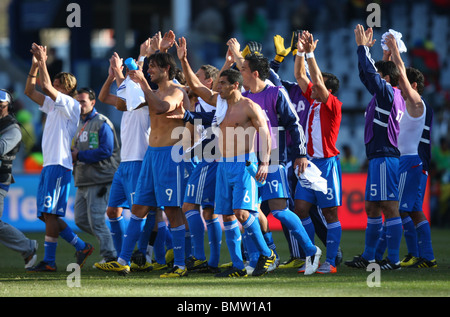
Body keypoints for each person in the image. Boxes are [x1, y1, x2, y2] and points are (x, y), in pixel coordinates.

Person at [176, 36, 276, 277]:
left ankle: (266, 253)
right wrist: (183, 60)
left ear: (234, 85)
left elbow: (266, 133)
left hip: (243, 164)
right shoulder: (220, 104)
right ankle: (238, 266)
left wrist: (264, 161)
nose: (216, 88)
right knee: (228, 215)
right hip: (222, 164)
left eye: (221, 83)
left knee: (243, 214)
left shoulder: (249, 107)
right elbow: (195, 85)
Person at [95, 40, 191, 278]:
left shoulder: (176, 91)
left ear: (166, 69)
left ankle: (180, 265)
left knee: (171, 210)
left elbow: (161, 108)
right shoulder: (153, 91)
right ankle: (123, 260)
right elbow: (119, 103)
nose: (148, 71)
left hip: (170, 156)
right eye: (147, 68)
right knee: (138, 209)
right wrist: (121, 77)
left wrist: (144, 85)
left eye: (153, 67)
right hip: (150, 156)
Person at [227, 38, 322, 275]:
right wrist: (236, 54)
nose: (240, 73)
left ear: (255, 73)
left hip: (274, 157)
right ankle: (263, 257)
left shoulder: (276, 93)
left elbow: (293, 123)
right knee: (247, 211)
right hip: (248, 159)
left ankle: (311, 251)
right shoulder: (244, 96)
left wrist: (300, 154)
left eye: (243, 69)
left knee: (279, 210)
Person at [24, 43, 93, 272]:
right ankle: (81, 246)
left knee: (50, 214)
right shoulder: (53, 104)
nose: (52, 87)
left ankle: (50, 262)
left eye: (57, 84)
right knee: (46, 214)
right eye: (53, 83)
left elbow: (43, 86)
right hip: (50, 164)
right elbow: (30, 91)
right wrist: (35, 66)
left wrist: (43, 61)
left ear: (67, 89)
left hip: (59, 164)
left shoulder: (70, 104)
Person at [345, 25, 405, 270]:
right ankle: (370, 256)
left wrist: (362, 48)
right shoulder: (390, 93)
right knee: (371, 206)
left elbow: (371, 76)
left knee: (389, 207)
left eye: (382, 75)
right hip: (379, 156)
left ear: (387, 79)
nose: (375, 80)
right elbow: (370, 75)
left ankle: (393, 260)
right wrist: (383, 57)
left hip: (385, 156)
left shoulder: (388, 93)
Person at [377, 34, 436, 268]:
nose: (399, 87)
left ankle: (377, 255)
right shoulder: (417, 105)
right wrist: (387, 56)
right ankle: (424, 256)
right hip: (412, 161)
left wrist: (394, 48)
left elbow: (400, 74)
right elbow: (391, 81)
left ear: (412, 86)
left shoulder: (417, 102)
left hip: (410, 162)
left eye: (403, 83)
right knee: (411, 211)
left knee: (396, 209)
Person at [293, 31, 343, 274]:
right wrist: (300, 51)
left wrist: (312, 53)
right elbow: (299, 75)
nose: (310, 87)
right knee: (300, 209)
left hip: (327, 164)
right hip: (309, 164)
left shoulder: (332, 104)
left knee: (330, 212)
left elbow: (314, 80)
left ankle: (331, 261)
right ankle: (311, 257)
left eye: (317, 85)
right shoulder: (313, 102)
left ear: (327, 89)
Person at [97, 54, 152, 270]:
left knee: (140, 212)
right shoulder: (128, 98)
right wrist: (114, 75)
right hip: (124, 162)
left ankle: (131, 259)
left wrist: (124, 70)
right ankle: (122, 257)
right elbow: (104, 97)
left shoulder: (144, 99)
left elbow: (129, 90)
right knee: (112, 211)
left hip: (138, 160)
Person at [71, 87, 121, 264]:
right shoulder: (77, 122)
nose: (79, 105)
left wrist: (79, 156)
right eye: (77, 101)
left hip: (100, 178)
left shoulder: (102, 122)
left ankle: (111, 257)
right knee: (80, 219)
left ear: (92, 103)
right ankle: (114, 243)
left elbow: (107, 150)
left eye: (83, 102)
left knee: (97, 221)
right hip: (83, 178)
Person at [182, 64, 223, 273]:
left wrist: (183, 60)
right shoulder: (203, 103)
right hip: (211, 158)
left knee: (189, 206)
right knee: (209, 212)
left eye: (198, 77)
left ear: (209, 83)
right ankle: (213, 262)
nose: (192, 81)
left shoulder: (211, 99)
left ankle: (198, 257)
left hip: (211, 159)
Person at [0, 89, 38, 269]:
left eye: (1, 106)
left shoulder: (13, 129)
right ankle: (27, 247)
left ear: (8, 106)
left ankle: (27, 247)